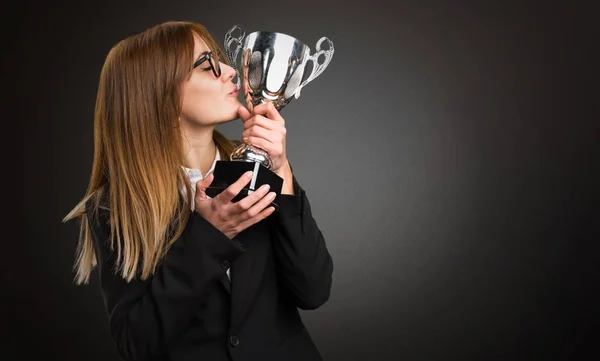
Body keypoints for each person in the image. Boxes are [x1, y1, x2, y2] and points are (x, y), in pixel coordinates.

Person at [62, 20, 334, 361]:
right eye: (207, 66)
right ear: (158, 92)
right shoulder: (112, 207)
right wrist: (209, 234)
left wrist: (281, 170)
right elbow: (136, 344)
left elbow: (314, 290)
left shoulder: (257, 169)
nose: (232, 71)